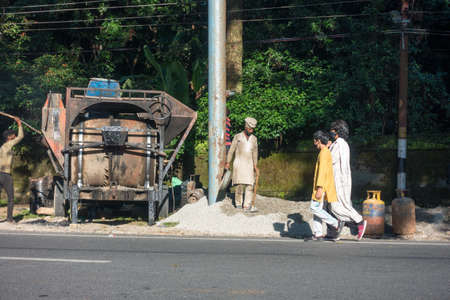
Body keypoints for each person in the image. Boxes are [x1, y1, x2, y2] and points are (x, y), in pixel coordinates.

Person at [328, 120, 367, 240]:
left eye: (333, 130)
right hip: (341, 178)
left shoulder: (339, 144)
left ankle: (359, 221)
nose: (331, 132)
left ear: (338, 131)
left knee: (336, 206)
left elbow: (331, 160)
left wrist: (327, 148)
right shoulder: (342, 143)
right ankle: (336, 231)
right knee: (338, 205)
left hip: (339, 179)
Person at [308, 130, 342, 241]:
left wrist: (320, 188)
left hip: (321, 186)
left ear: (318, 141)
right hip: (322, 185)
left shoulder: (323, 153)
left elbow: (322, 172)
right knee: (318, 208)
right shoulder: (326, 151)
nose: (314, 143)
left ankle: (336, 223)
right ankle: (318, 233)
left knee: (314, 208)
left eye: (315, 140)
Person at [225, 117, 259, 211]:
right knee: (239, 184)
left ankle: (247, 205)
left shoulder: (254, 139)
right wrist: (228, 162)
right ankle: (238, 203)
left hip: (249, 164)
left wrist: (255, 165)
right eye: (249, 129)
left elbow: (255, 153)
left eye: (252, 129)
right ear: (246, 127)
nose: (251, 131)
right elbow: (231, 150)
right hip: (239, 163)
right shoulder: (238, 136)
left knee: (250, 185)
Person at [0, 117, 24, 223]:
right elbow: (21, 136)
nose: (15, 137)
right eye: (13, 136)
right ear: (9, 137)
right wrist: (19, 124)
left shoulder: (2, 147)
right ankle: (9, 219)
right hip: (5, 175)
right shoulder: (9, 145)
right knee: (10, 198)